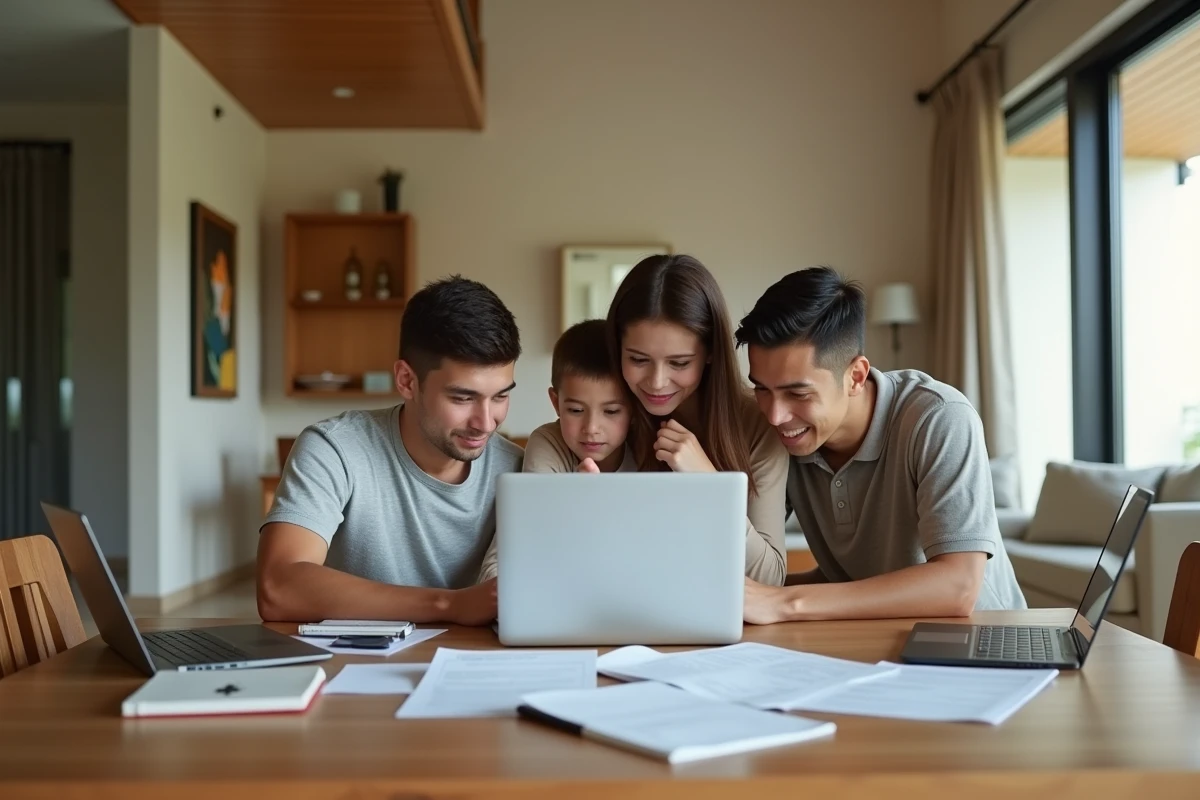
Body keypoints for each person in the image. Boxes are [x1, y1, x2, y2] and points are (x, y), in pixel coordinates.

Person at [734, 266, 1026, 623]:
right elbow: (762, 568)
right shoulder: (781, 436)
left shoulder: (938, 418)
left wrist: (785, 603)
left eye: (798, 393)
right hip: (873, 640)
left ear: (855, 376)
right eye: (762, 389)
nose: (775, 415)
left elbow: (959, 586)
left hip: (982, 644)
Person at [256, 275, 524, 624]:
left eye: (501, 396)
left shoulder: (519, 469)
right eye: (463, 397)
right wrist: (450, 605)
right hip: (352, 666)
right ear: (407, 381)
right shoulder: (335, 448)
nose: (486, 422)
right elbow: (278, 587)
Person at [606, 254, 788, 585]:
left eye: (679, 363)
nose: (657, 382)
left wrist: (711, 485)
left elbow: (770, 578)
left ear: (711, 353)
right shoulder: (606, 416)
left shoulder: (759, 421)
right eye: (638, 359)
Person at [476, 318, 634, 581]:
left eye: (612, 411)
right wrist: (575, 508)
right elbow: (498, 570)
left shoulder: (651, 448)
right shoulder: (549, 444)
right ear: (555, 401)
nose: (592, 428)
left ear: (635, 407)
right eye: (575, 410)